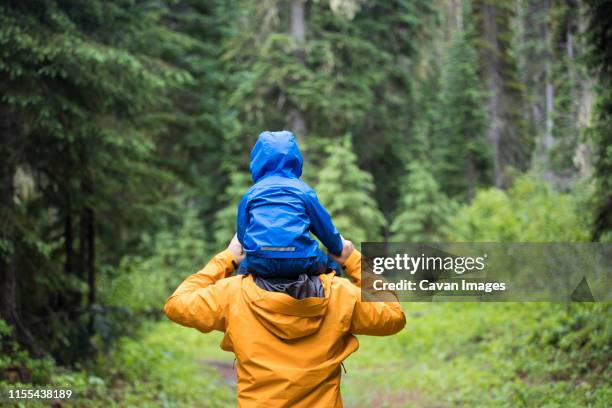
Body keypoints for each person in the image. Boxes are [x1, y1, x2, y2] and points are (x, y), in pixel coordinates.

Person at [164, 235, 405, 407]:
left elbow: (176, 305)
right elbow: (393, 315)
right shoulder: (341, 294)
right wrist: (352, 259)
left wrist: (227, 258)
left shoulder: (232, 294)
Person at [236, 130, 343, 278]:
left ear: (258, 159)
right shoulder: (303, 190)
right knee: (333, 267)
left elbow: (242, 235)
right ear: (295, 158)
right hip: (301, 259)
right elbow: (325, 229)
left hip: (260, 261)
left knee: (241, 272)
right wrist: (337, 247)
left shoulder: (251, 194)